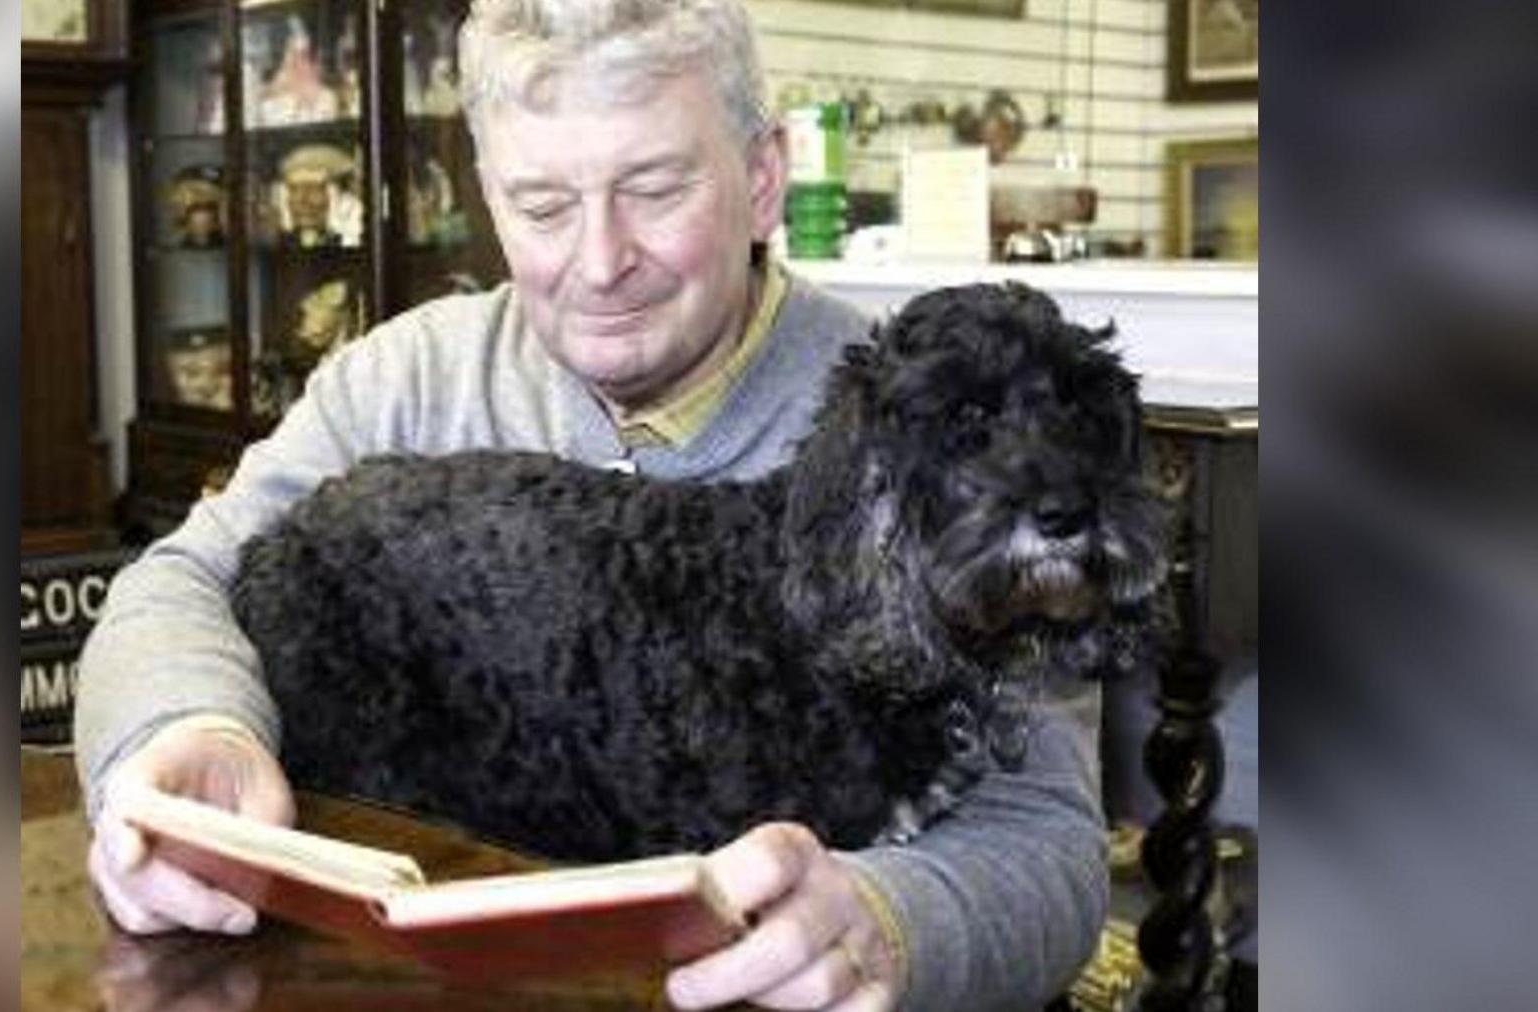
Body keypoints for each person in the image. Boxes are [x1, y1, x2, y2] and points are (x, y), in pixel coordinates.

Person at [76, 0, 1109, 1007]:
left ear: (762, 179)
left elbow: (1049, 843)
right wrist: (191, 727)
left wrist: (886, 922)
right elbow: (176, 581)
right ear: (487, 198)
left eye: (654, 189)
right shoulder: (400, 382)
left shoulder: (931, 418)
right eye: (542, 205)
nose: (601, 262)